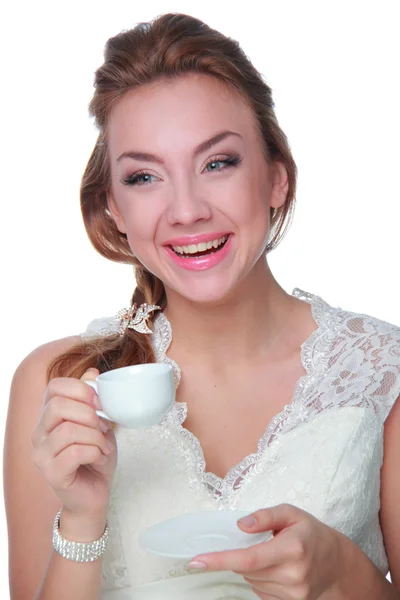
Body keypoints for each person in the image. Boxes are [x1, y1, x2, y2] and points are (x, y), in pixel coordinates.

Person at [3, 11, 400, 600]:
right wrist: (82, 519)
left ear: (276, 178)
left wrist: (345, 575)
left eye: (217, 163)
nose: (186, 210)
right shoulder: (60, 384)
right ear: (113, 207)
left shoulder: (380, 369)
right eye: (143, 177)